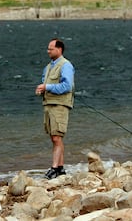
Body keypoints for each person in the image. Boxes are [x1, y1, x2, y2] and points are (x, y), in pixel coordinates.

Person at [35, 38, 75, 179]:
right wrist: (41, 90)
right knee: (54, 138)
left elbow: (67, 86)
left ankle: (54, 168)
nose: (48, 51)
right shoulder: (48, 67)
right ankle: (60, 168)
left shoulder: (66, 65)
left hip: (59, 106)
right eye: (48, 49)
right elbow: (46, 83)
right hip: (49, 105)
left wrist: (47, 87)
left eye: (51, 49)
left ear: (59, 50)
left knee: (57, 137)